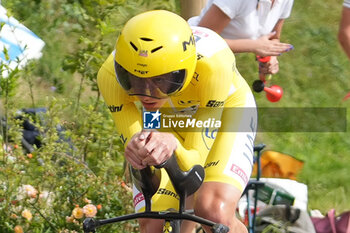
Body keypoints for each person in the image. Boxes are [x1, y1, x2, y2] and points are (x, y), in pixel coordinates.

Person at [97, 10, 257, 233]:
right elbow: (140, 156)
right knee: (152, 220)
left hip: (225, 112)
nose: (146, 94)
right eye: (134, 80)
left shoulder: (214, 65)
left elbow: (194, 163)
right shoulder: (109, 75)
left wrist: (173, 145)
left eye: (161, 80)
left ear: (186, 70)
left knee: (213, 212)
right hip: (165, 117)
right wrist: (137, 148)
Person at [188, 0, 294, 78]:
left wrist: (271, 56)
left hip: (218, 65)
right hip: (189, 57)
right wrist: (254, 46)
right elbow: (201, 40)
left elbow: (274, 37)